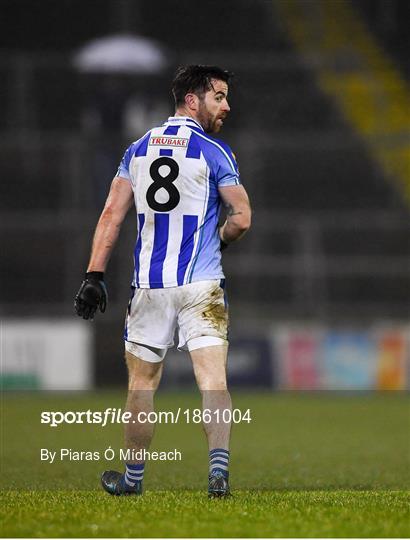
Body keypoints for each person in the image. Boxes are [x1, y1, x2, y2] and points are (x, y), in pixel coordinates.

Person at [74, 65, 251, 497]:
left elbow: (112, 215)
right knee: (213, 381)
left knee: (141, 385)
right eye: (219, 97)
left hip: (150, 287)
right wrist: (219, 242)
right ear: (193, 100)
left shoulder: (137, 149)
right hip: (201, 284)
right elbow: (242, 218)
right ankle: (218, 475)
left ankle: (132, 481)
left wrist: (94, 275)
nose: (226, 106)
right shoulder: (215, 150)